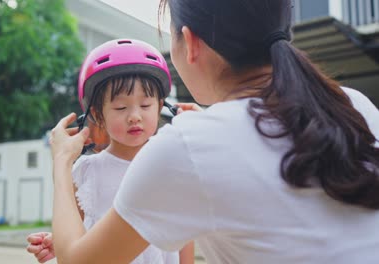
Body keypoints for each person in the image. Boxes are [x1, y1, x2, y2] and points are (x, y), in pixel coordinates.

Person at [36, 0, 379, 263]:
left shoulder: (189, 146)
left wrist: (61, 161)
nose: (135, 115)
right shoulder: (353, 104)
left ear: (190, 42)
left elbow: (78, 260)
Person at [26, 39, 194, 264]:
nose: (134, 115)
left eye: (145, 105)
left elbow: (183, 237)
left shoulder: (172, 165)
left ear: (161, 106)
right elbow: (77, 237)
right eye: (120, 107)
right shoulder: (86, 171)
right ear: (98, 114)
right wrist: (59, 242)